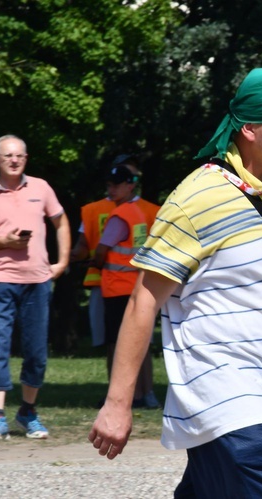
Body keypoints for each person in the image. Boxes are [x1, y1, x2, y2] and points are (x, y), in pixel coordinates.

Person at [88, 68, 262, 498]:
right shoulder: (197, 199)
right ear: (250, 128)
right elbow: (143, 303)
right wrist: (117, 405)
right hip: (221, 392)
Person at [0, 134, 71, 440]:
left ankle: (27, 412)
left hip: (37, 281)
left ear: (26, 159)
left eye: (20, 156)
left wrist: (62, 263)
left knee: (36, 353)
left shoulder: (41, 188)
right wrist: (3, 241)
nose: (15, 160)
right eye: (8, 156)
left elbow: (61, 223)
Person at [70, 155, 160, 409]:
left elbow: (100, 251)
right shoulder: (142, 213)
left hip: (117, 287)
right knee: (139, 341)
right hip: (139, 285)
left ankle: (121, 396)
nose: (110, 190)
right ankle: (143, 394)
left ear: (130, 185)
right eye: (109, 185)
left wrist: (94, 261)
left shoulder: (120, 214)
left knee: (117, 345)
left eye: (115, 186)